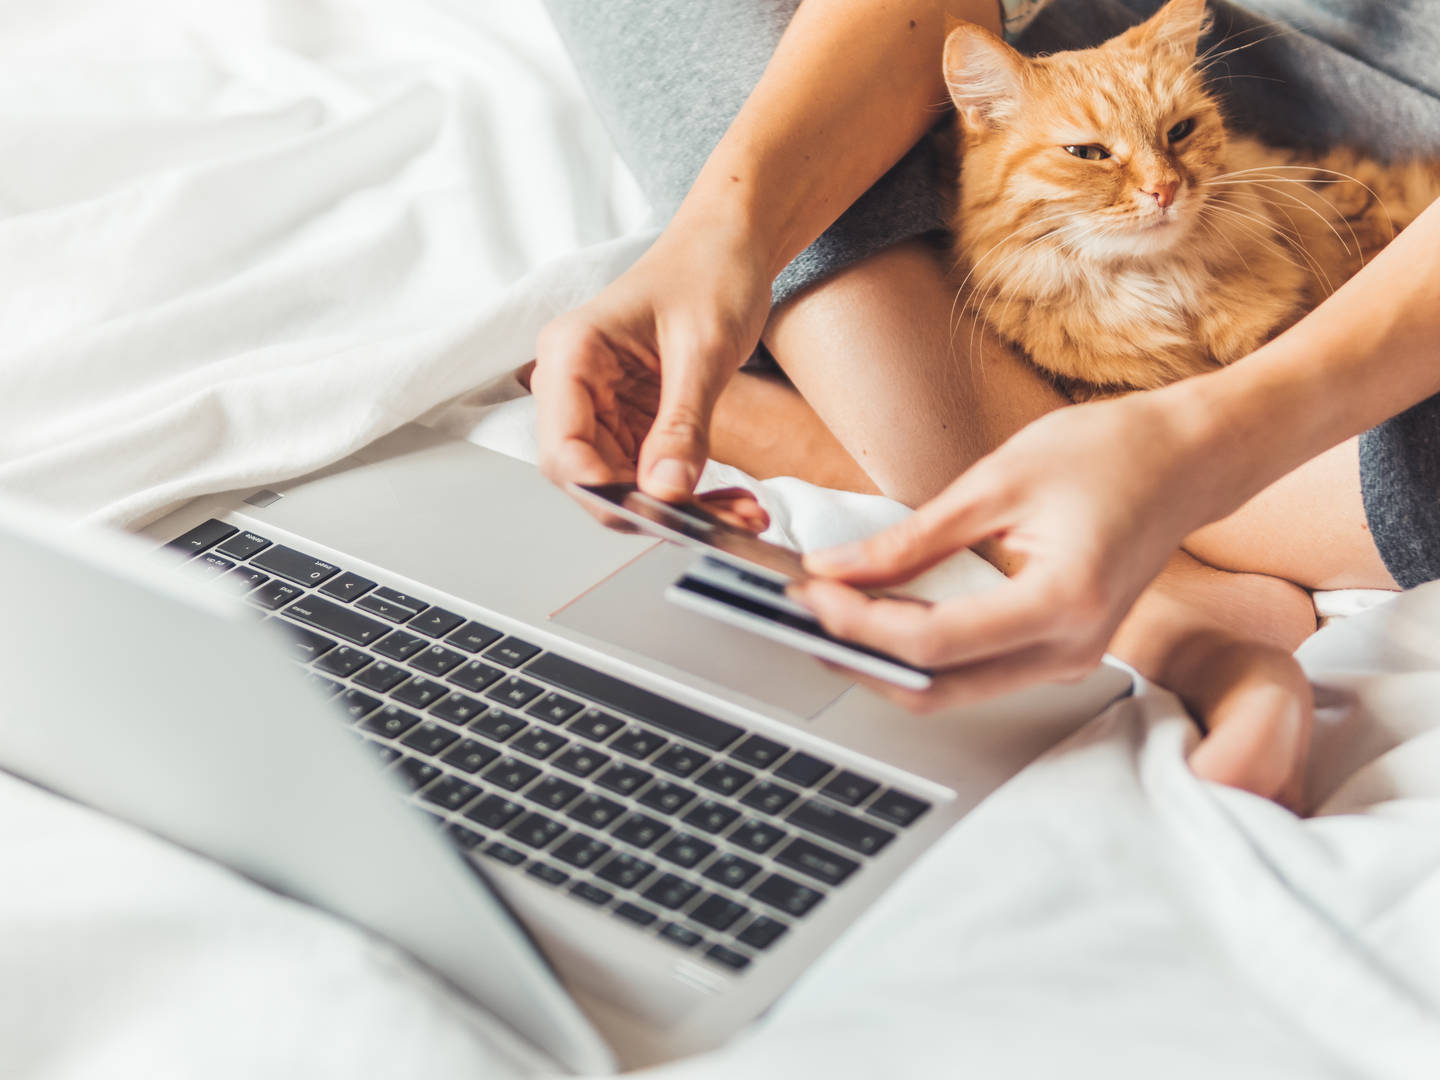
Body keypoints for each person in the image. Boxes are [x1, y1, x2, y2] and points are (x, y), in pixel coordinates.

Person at [531, 0, 1440, 809]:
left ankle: (903, 442)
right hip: (1104, 52)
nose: (1149, 178)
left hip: (1325, 225)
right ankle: (1161, 593)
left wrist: (1202, 433)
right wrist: (726, 232)